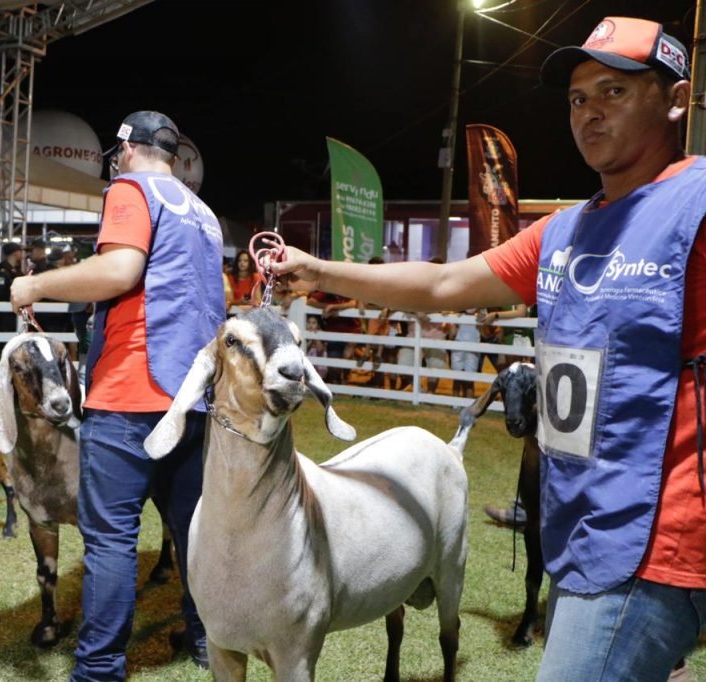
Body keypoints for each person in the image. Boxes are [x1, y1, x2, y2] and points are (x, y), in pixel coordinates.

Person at [270, 17, 702, 680]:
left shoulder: (696, 203)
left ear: (676, 99)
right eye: (578, 99)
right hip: (583, 530)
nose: (589, 113)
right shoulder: (563, 232)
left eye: (614, 92)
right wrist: (323, 271)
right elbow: (444, 281)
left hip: (659, 541)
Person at [10, 111, 223, 678]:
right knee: (192, 532)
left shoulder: (130, 187)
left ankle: (99, 668)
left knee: (110, 541)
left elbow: (120, 270)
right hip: (194, 396)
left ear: (127, 149)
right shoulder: (203, 212)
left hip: (132, 390)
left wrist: (35, 284)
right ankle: (207, 640)